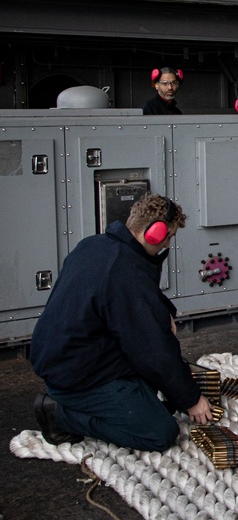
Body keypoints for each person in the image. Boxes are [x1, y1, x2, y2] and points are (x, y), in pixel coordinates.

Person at [29, 193, 212, 451]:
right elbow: (153, 349)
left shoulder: (96, 245)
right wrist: (191, 400)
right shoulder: (125, 270)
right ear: (155, 233)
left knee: (153, 386)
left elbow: (132, 298)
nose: (167, 245)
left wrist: (161, 312)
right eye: (168, 236)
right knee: (160, 432)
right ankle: (59, 414)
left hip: (73, 359)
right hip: (78, 378)